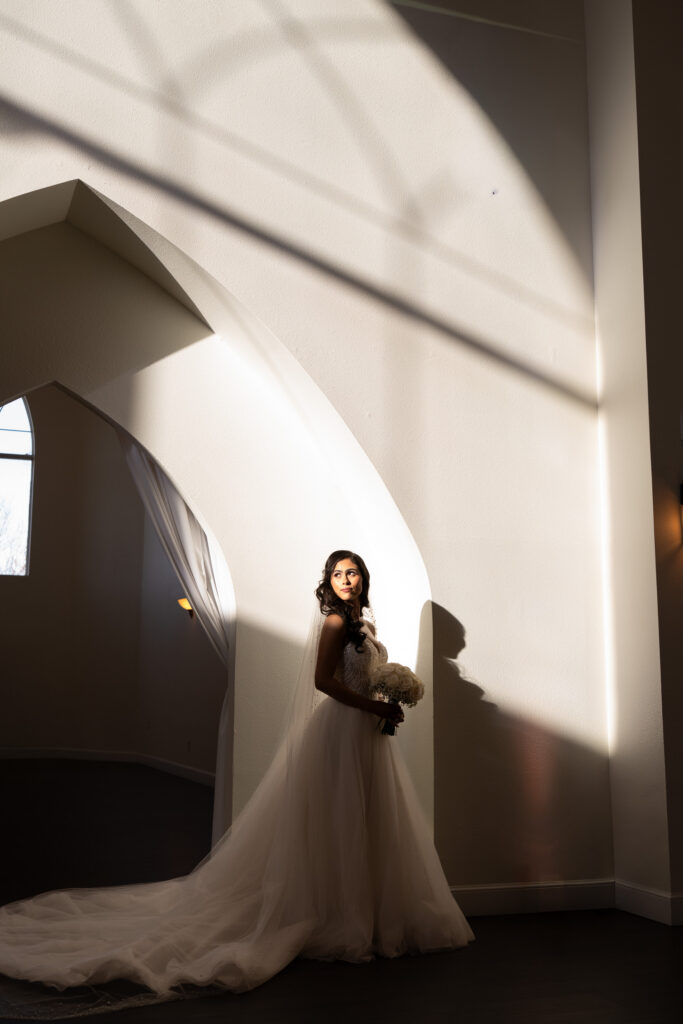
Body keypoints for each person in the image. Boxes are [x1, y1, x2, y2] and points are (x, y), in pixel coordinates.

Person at [0, 550, 473, 1005]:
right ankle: (339, 915)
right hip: (341, 731)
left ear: (363, 579)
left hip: (366, 732)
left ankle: (367, 914)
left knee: (368, 820)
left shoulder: (364, 625)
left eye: (353, 573)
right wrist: (373, 705)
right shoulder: (333, 622)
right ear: (329, 582)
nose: (347, 580)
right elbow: (323, 681)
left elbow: (363, 676)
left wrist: (386, 702)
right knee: (339, 820)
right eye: (338, 574)